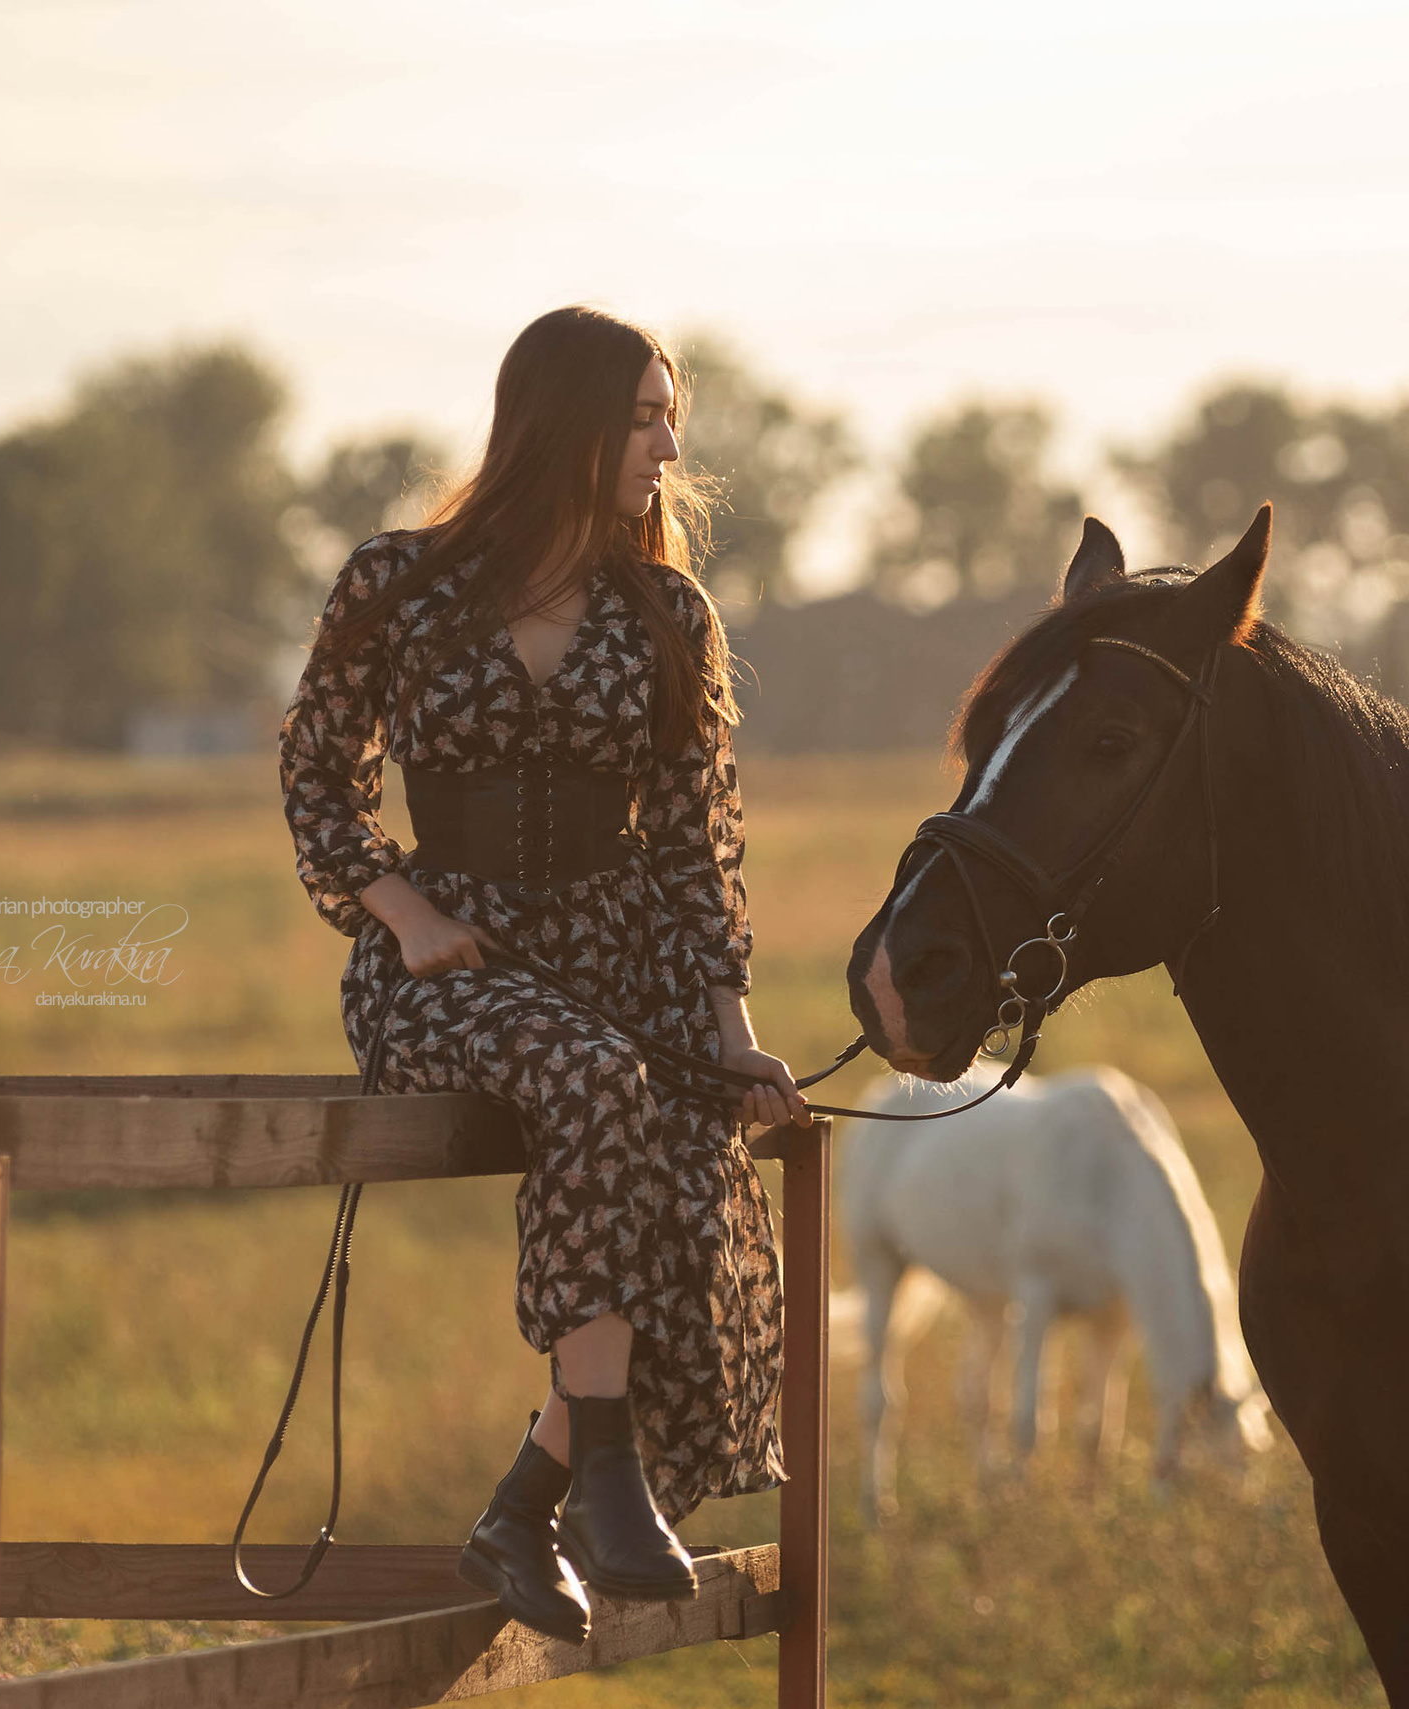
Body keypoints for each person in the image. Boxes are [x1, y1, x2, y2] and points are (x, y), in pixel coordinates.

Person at [278, 304, 811, 1643]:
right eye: (641, 414)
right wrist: (398, 908)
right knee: (591, 1078)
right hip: (441, 959)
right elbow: (317, 777)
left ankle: (527, 1502)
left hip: (615, 960)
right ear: (562, 423)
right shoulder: (397, 581)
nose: (668, 442)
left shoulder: (669, 611)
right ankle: (606, 1475)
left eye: (667, 412)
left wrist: (732, 1033)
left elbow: (697, 847)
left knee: (689, 1186)